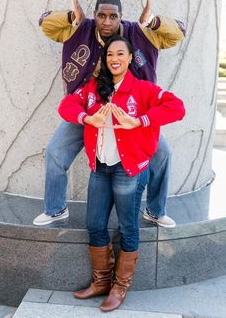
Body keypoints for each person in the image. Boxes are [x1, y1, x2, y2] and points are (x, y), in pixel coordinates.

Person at [33, 0, 186, 227]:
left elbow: (179, 33)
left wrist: (151, 20)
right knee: (55, 151)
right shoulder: (78, 29)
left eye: (113, 16)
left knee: (163, 154)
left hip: (131, 114)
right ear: (94, 16)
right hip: (89, 107)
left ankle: (155, 210)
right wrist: (72, 17)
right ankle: (55, 209)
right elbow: (45, 24)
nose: (107, 22)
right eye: (101, 16)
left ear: (120, 17)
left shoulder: (140, 33)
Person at [58, 36, 185, 312]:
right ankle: (102, 281)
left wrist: (139, 121)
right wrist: (87, 118)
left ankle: (120, 286)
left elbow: (177, 107)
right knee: (94, 224)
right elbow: (66, 106)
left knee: (128, 227)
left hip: (129, 171)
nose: (114, 58)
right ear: (105, 60)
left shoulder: (143, 89)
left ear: (129, 58)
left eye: (120, 54)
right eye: (109, 54)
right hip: (100, 169)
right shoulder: (94, 88)